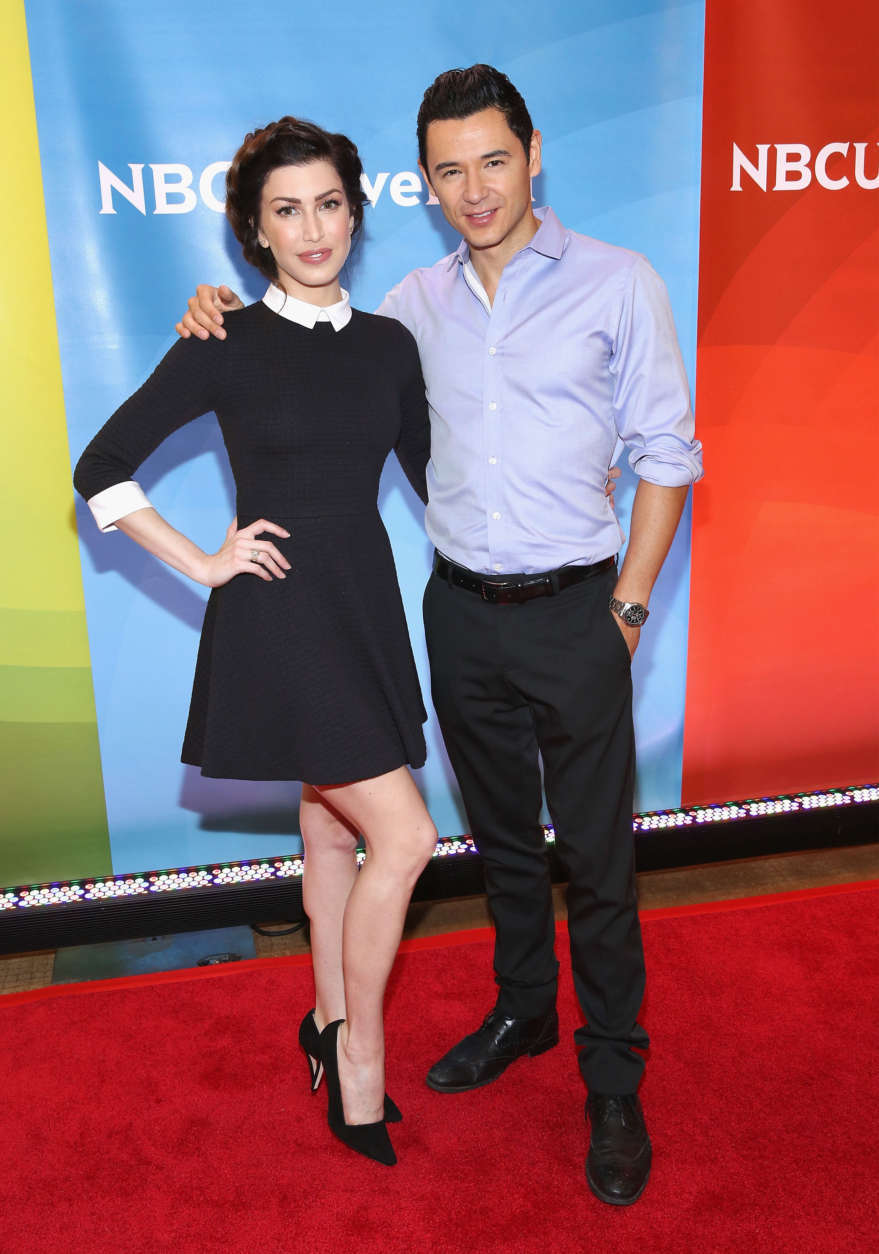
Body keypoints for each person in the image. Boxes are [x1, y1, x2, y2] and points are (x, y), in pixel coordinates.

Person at [177, 65, 702, 1205]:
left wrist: (628, 606)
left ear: (534, 153)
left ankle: (613, 1081)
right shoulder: (408, 307)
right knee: (503, 844)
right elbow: (304, 337)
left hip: (580, 612)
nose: (474, 189)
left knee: (599, 861)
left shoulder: (620, 283)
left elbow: (667, 453)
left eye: (493, 162)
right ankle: (522, 1011)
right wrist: (211, 309)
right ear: (425, 184)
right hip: (456, 613)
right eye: (449, 171)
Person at [74, 117, 441, 1168]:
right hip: (281, 620)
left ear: (356, 214)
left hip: (362, 607)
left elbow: (438, 481)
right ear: (254, 230)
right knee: (406, 838)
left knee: (333, 833)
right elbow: (100, 466)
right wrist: (198, 561)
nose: (313, 226)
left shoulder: (389, 345)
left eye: (329, 203)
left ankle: (325, 1018)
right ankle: (361, 1062)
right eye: (288, 209)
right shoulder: (221, 339)